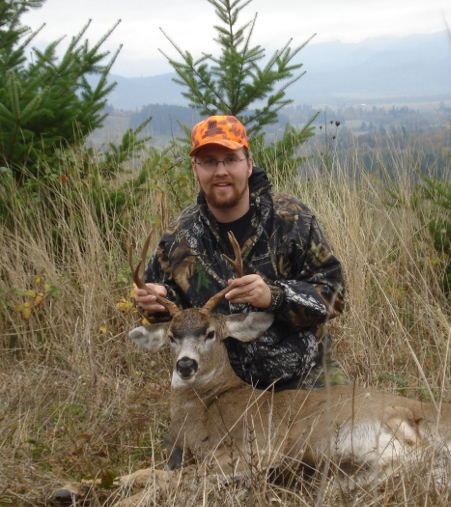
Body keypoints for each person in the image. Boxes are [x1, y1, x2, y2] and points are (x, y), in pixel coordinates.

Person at [134, 114, 347, 390]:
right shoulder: (178, 238)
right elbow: (172, 321)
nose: (220, 171)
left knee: (346, 426)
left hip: (303, 375)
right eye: (209, 161)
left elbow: (335, 295)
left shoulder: (291, 219)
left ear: (248, 165)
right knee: (184, 434)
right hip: (215, 383)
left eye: (231, 159)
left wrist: (275, 297)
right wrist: (157, 302)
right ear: (195, 169)